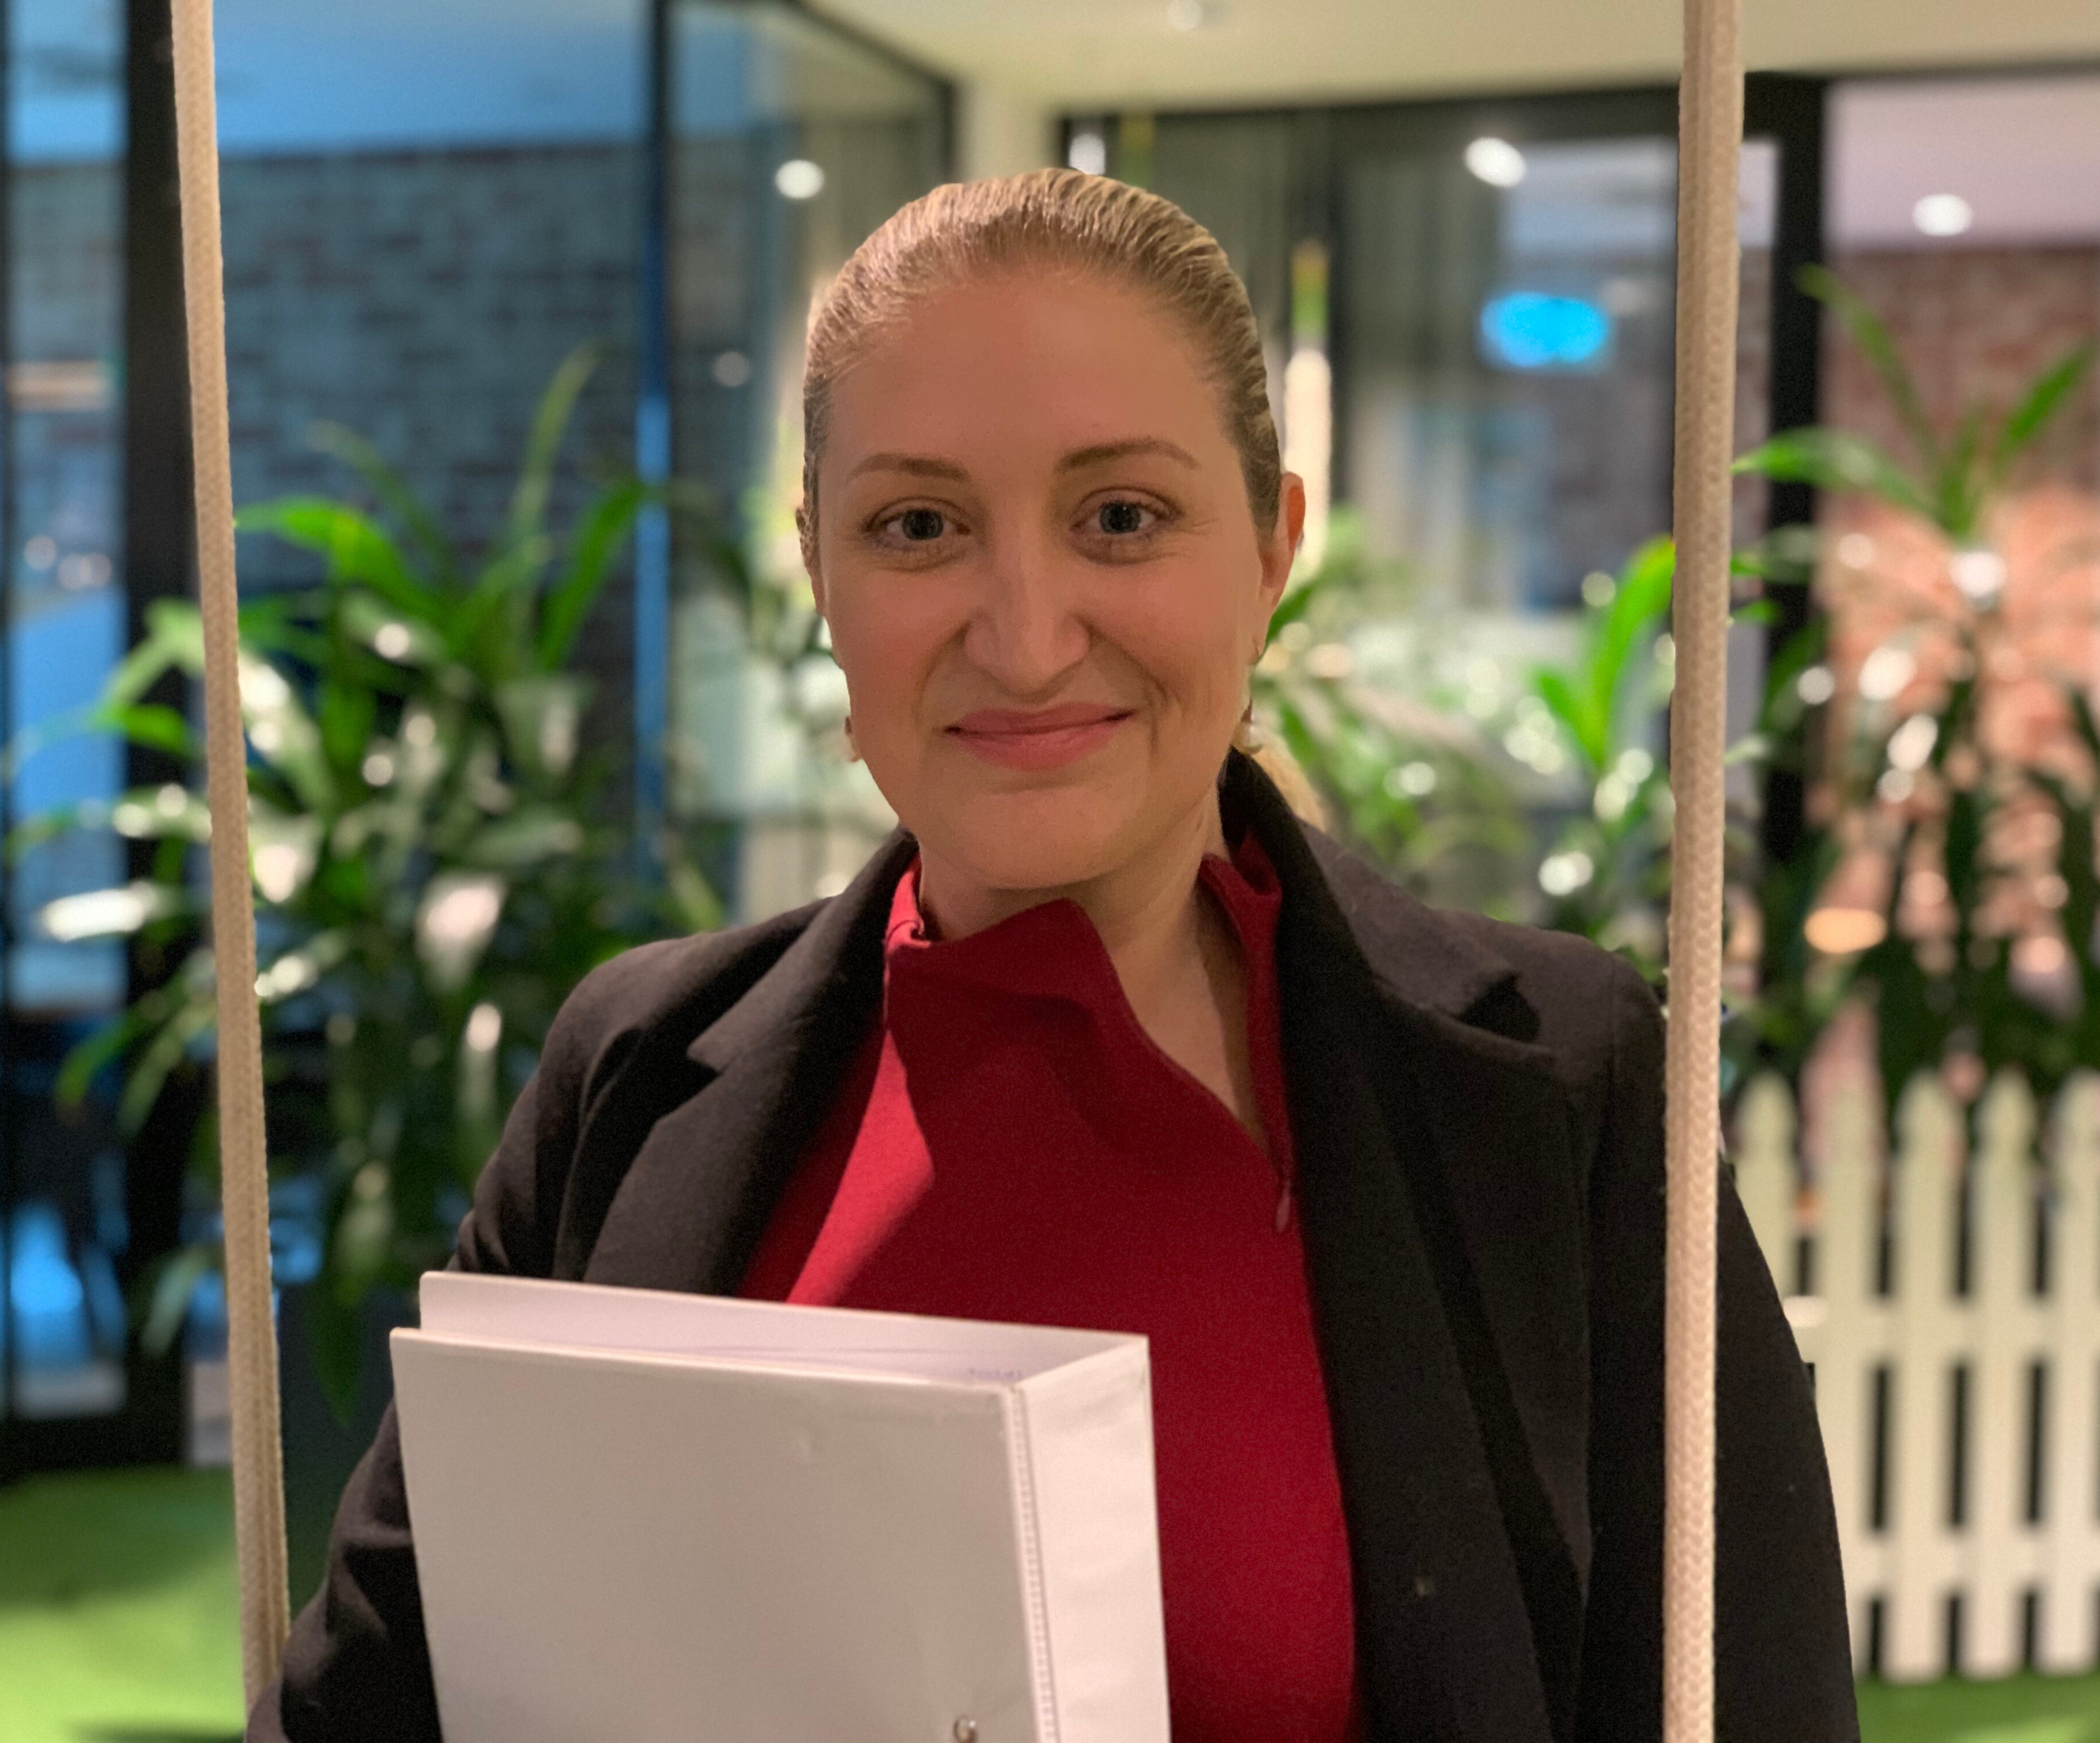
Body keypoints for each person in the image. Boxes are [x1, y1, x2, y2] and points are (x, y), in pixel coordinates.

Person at [251, 168, 1855, 1743]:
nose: (1023, 638)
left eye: (1122, 517)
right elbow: (368, 1711)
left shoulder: (1556, 1088)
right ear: (821, 574)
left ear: (1270, 550)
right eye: (919, 525)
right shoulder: (635, 1072)